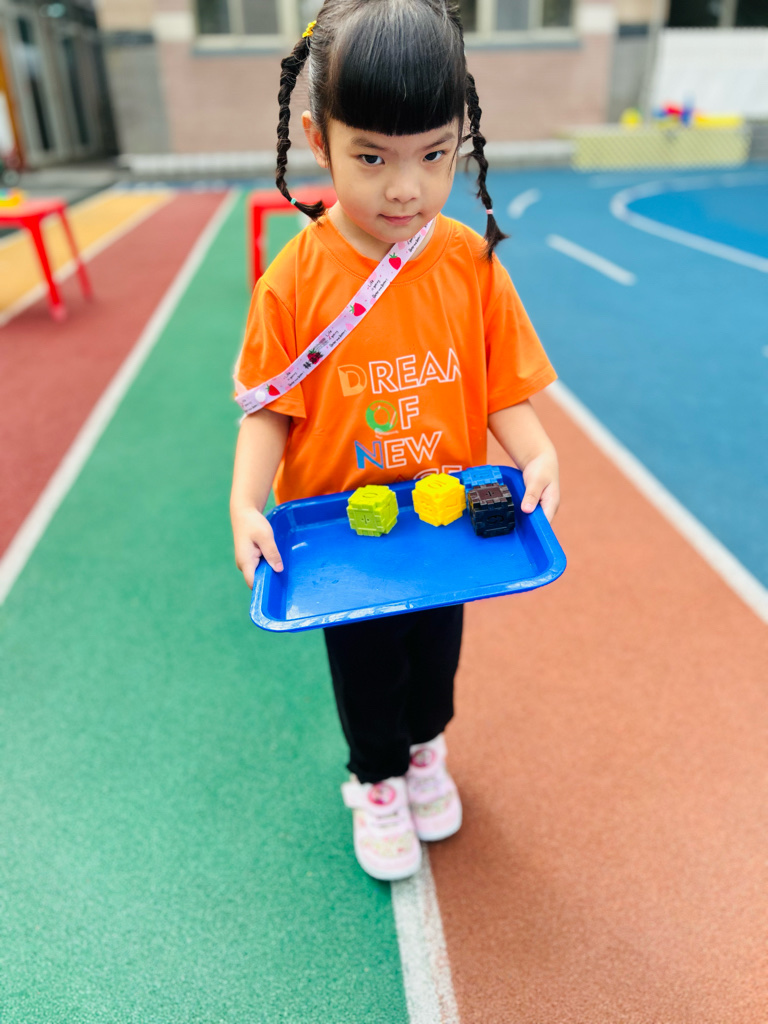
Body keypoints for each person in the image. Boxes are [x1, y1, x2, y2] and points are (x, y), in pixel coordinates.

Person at [230, 0, 560, 882]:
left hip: (447, 528)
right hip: (341, 537)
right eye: (372, 157)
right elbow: (268, 407)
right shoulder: (292, 279)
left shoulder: (470, 262)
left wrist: (537, 452)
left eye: (434, 155)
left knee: (435, 658)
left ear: (460, 141)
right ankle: (376, 779)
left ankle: (423, 751)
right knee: (366, 668)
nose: (405, 188)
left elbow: (504, 386)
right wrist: (245, 500)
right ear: (318, 138)